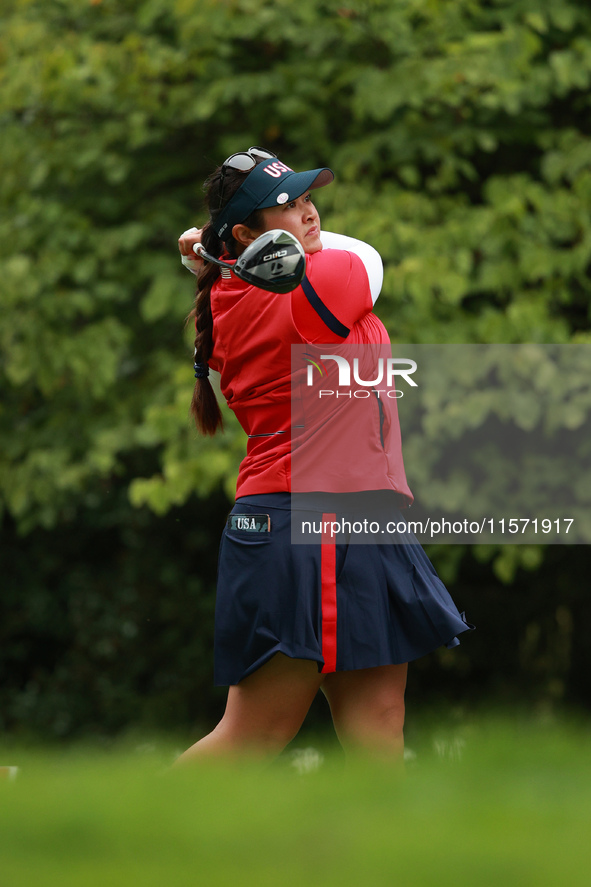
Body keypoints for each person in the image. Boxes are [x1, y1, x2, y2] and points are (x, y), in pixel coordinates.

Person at [175, 147, 473, 762]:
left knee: (380, 724)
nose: (309, 215)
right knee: (253, 734)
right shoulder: (323, 281)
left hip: (346, 516)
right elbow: (367, 255)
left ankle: (395, 859)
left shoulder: (241, 285)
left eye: (309, 199)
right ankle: (118, 840)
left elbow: (269, 255)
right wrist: (214, 246)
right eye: (287, 207)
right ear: (245, 233)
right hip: (307, 519)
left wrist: (218, 247)